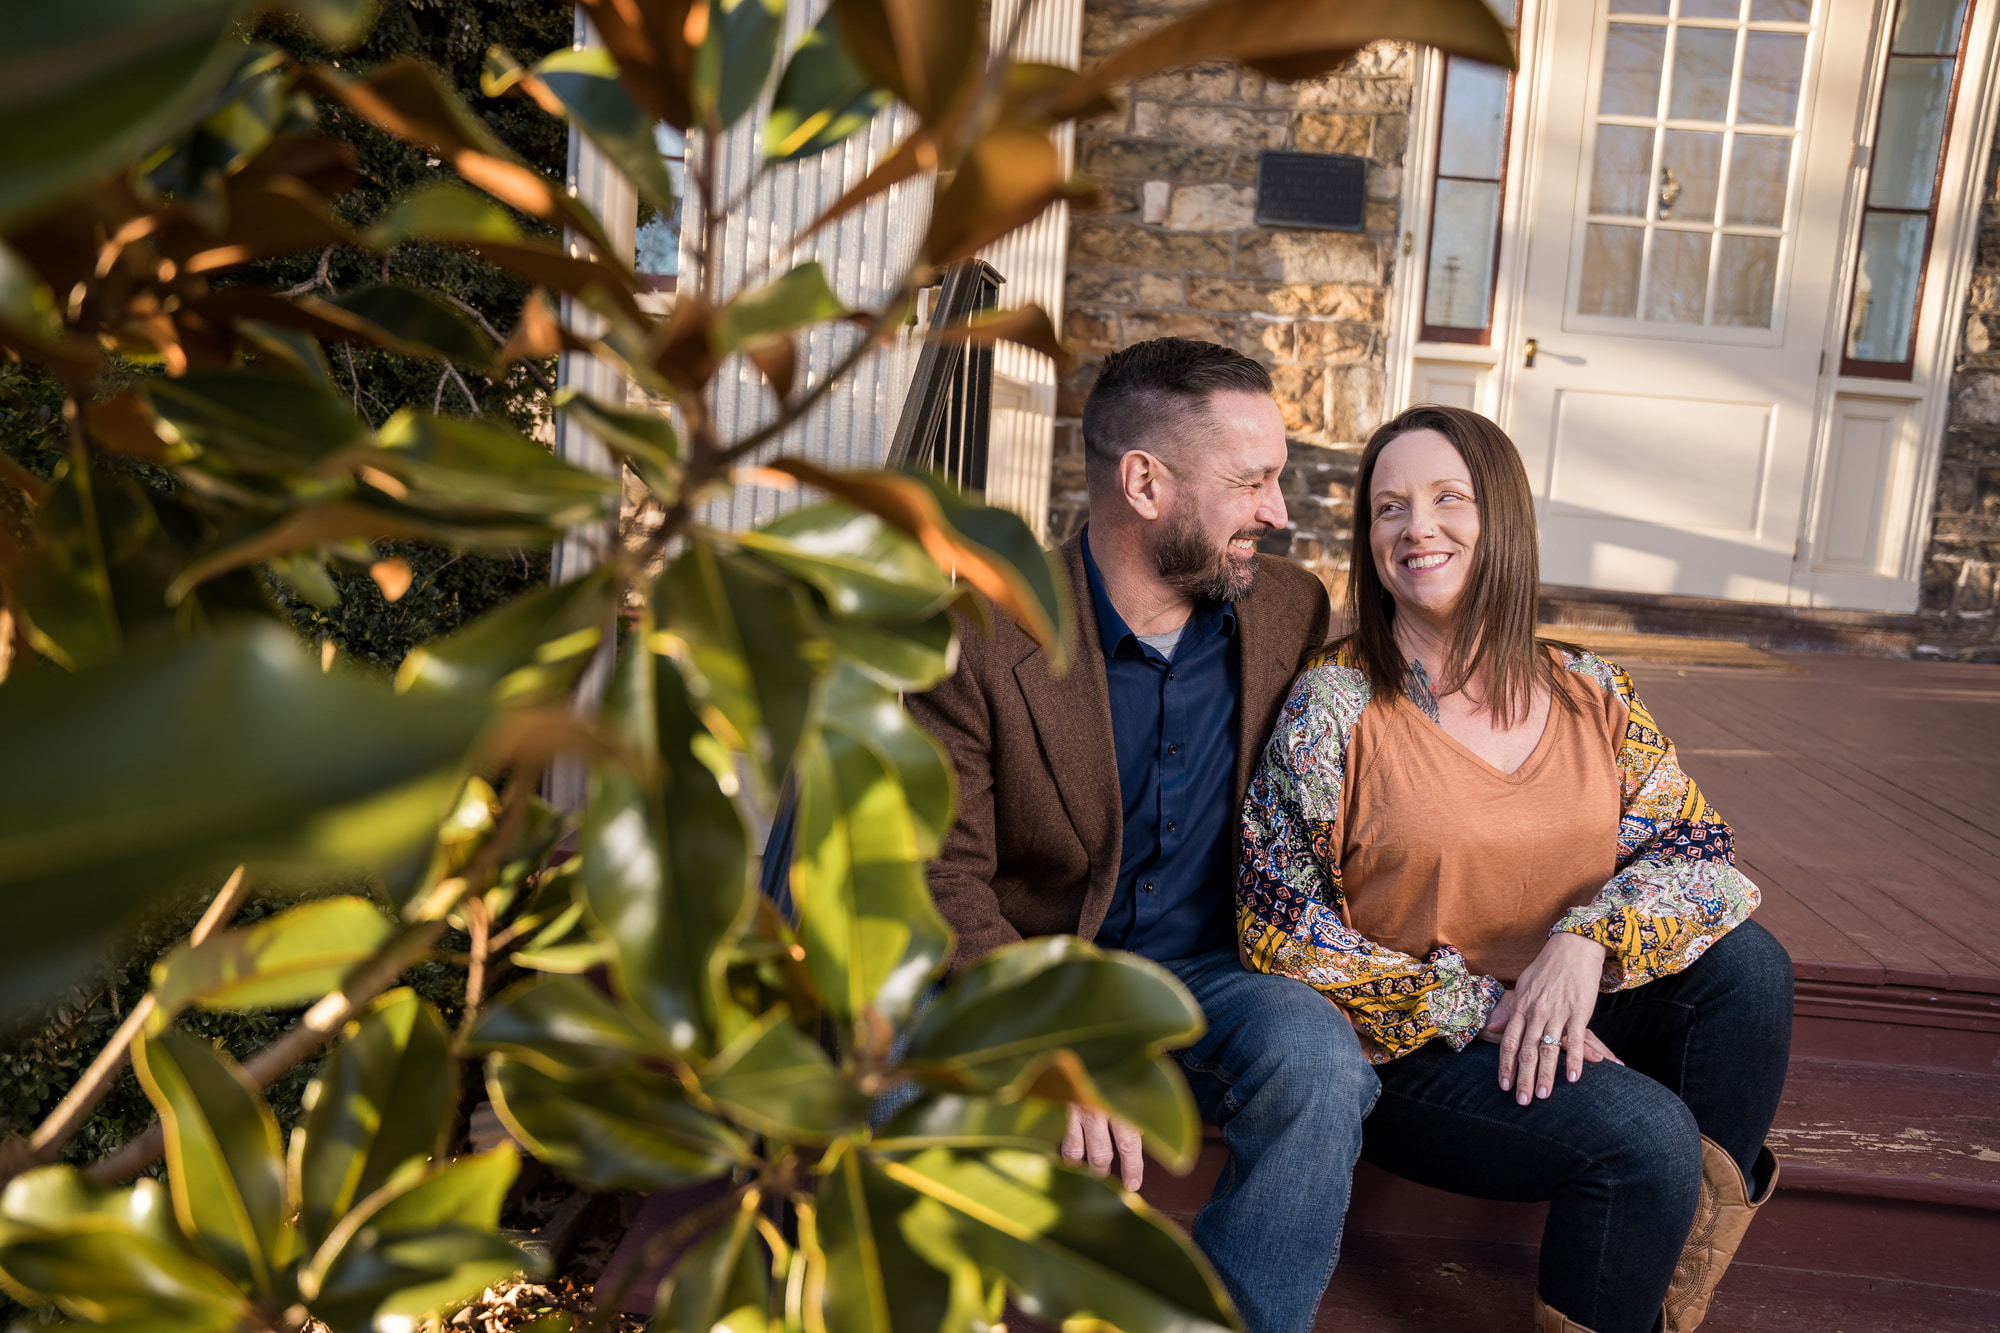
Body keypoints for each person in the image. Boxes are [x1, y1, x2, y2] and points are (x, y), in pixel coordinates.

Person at [1237, 404, 1793, 1333]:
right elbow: (1280, 929)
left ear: (1502, 517)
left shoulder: (1591, 688)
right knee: (1645, 1133)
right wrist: (1475, 1005)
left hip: (1559, 1002)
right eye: (1389, 507)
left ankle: (1665, 1303)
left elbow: (1700, 855)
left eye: (1447, 498)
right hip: (1413, 1040)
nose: (1416, 527)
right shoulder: (1334, 705)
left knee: (1751, 968)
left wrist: (1586, 938)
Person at [909, 338, 1378, 1333]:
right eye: (1250, 482)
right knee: (891, 1097)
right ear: (1144, 483)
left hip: (1210, 976)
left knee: (1320, 1062)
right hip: (1035, 962)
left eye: (1277, 479)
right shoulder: (979, 632)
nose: (1277, 512)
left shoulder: (1288, 608)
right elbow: (936, 875)